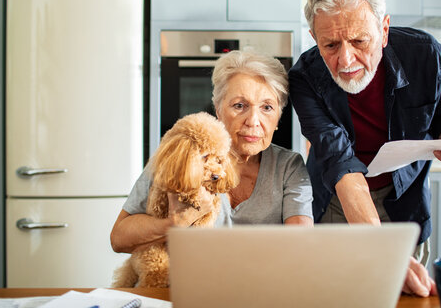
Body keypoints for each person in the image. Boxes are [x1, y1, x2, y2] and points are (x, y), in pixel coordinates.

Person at [289, 0, 441, 297]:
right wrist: (387, 253)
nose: (345, 59)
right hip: (337, 203)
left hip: (405, 201)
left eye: (359, 40)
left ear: (384, 29)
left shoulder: (425, 54)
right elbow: (339, 163)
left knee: (404, 297)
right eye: (330, 44)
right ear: (314, 37)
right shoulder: (305, 78)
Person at [111, 50, 314, 254]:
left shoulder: (289, 167)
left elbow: (301, 245)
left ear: (279, 116)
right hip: (180, 285)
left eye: (267, 107)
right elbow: (119, 239)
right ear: (218, 109)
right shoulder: (180, 156)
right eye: (239, 105)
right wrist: (174, 223)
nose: (253, 121)